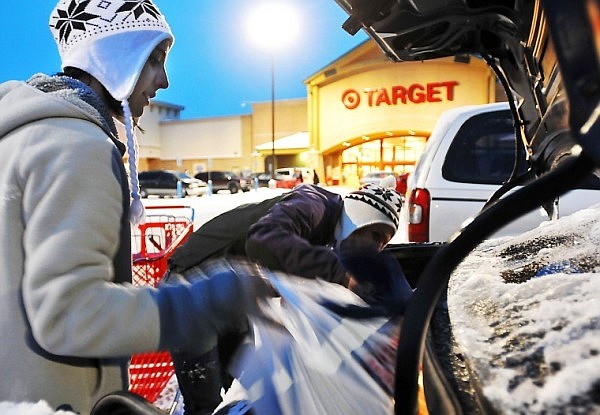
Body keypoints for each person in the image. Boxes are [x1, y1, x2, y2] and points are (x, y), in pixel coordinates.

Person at [0, 2, 270, 414]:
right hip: (56, 399)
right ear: (114, 57)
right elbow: (68, 314)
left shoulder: (20, 137)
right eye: (155, 60)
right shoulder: (77, 147)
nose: (163, 80)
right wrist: (202, 303)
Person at [166, 182, 411, 415]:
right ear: (360, 217)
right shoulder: (313, 203)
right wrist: (341, 274)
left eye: (384, 242)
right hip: (190, 286)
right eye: (376, 234)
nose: (377, 246)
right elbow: (263, 240)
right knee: (204, 403)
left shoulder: (331, 238)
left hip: (232, 297)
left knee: (256, 387)